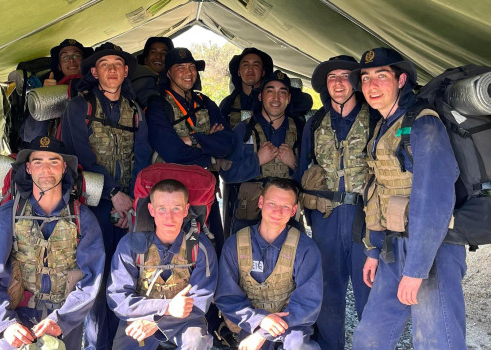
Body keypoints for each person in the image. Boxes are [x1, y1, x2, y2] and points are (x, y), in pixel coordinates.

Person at [347, 47, 465, 350]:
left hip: (433, 249)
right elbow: (378, 192)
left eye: (381, 76)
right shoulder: (384, 127)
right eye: (366, 78)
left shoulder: (424, 124)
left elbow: (433, 200)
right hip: (392, 246)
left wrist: (416, 269)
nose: (372, 86)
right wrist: (373, 249)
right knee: (369, 339)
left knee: (436, 341)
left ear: (401, 80)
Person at [61, 42, 152, 349]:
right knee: (95, 281)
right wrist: (114, 192)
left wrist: (132, 199)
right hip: (92, 205)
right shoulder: (79, 106)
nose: (112, 69)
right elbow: (79, 154)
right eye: (105, 64)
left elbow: (142, 155)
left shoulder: (135, 110)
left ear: (126, 71)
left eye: (118, 64)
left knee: (124, 276)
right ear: (94, 72)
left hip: (128, 205)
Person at [0, 135, 104, 350]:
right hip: (17, 317)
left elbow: (92, 280)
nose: (46, 169)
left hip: (64, 321)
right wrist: (5, 324)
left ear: (64, 167)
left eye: (54, 161)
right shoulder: (8, 215)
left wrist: (62, 320)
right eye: (38, 162)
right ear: (28, 168)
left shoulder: (84, 218)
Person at [296, 55, 376, 350]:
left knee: (370, 288)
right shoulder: (315, 122)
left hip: (365, 217)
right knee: (328, 291)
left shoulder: (376, 117)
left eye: (345, 76)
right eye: (332, 78)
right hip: (326, 218)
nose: (339, 83)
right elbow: (302, 168)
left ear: (355, 82)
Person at [107, 179, 218, 349]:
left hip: (184, 319)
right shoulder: (131, 245)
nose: (169, 217)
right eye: (162, 209)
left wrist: (157, 322)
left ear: (186, 210)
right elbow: (118, 298)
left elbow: (201, 300)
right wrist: (163, 309)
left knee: (196, 342)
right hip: (139, 317)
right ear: (151, 209)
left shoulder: (197, 246)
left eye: (176, 208)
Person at [215, 178, 322, 350]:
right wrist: (259, 320)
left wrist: (264, 333)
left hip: (292, 325)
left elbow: (307, 303)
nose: (278, 212)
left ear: (294, 210)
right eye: (272, 203)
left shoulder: (306, 249)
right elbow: (226, 296)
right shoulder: (234, 244)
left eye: (285, 206)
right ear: (260, 202)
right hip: (251, 323)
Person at [146, 47, 236, 249]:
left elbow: (228, 143)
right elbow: (172, 150)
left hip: (203, 188)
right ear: (168, 72)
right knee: (174, 245)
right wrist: (207, 145)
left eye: (192, 67)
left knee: (210, 244)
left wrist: (192, 139)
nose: (188, 73)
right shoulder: (158, 104)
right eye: (180, 68)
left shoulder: (205, 102)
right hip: (170, 191)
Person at [221, 70, 301, 235]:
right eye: (270, 91)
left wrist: (294, 164)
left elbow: (313, 177)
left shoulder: (301, 130)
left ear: (289, 98)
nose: (276, 98)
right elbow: (228, 175)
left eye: (282, 92)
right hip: (248, 216)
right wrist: (256, 161)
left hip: (285, 216)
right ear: (260, 96)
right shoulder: (243, 129)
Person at [21, 39, 93, 143]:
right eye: (65, 57)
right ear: (59, 66)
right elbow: (30, 137)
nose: (71, 60)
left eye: (76, 56)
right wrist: (45, 98)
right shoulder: (47, 89)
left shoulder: (97, 88)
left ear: (84, 62)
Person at [220, 47, 274, 129]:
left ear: (263, 72)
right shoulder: (228, 104)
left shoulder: (274, 102)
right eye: (245, 65)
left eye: (256, 65)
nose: (250, 69)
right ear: (238, 72)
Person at [131, 37, 175, 107]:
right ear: (145, 59)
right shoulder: (141, 81)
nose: (158, 56)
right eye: (153, 52)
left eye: (163, 53)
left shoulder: (169, 81)